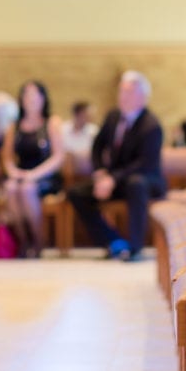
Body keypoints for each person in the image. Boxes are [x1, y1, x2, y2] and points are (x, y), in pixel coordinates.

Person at [68, 70, 166, 261]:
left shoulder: (151, 125)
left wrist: (112, 179)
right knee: (76, 193)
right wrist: (99, 172)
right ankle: (113, 241)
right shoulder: (113, 117)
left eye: (129, 92)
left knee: (135, 183)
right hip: (115, 179)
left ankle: (136, 247)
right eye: (121, 91)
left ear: (142, 97)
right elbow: (97, 146)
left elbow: (144, 163)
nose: (123, 97)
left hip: (146, 180)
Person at [1, 80, 65, 257]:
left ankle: (38, 240)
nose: (31, 99)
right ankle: (23, 239)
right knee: (11, 188)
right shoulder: (14, 126)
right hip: (20, 174)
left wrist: (34, 175)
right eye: (26, 95)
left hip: (45, 175)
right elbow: (7, 157)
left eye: (35, 95)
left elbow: (58, 156)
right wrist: (14, 172)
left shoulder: (51, 123)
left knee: (27, 188)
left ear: (43, 99)